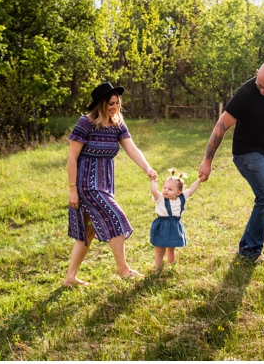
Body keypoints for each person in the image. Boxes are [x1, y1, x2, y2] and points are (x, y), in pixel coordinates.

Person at [198, 61, 264, 263]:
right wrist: (207, 160)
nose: (261, 90)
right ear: (256, 74)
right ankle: (252, 251)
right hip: (246, 152)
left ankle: (247, 248)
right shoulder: (246, 93)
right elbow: (221, 126)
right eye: (259, 84)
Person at [64, 82, 157, 287]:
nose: (114, 107)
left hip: (105, 183)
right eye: (110, 103)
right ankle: (123, 270)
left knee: (88, 230)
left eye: (116, 103)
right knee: (116, 216)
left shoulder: (118, 124)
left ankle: (70, 278)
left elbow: (132, 149)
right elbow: (72, 158)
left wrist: (147, 168)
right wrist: (73, 190)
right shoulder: (85, 123)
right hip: (87, 184)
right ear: (100, 104)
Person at [149, 170, 202, 273]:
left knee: (171, 247)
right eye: (164, 187)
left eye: (170, 189)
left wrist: (199, 179)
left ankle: (172, 265)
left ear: (178, 192)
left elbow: (191, 189)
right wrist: (153, 180)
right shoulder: (160, 198)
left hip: (174, 226)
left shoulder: (182, 198)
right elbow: (154, 191)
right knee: (160, 249)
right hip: (162, 226)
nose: (165, 190)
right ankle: (158, 269)